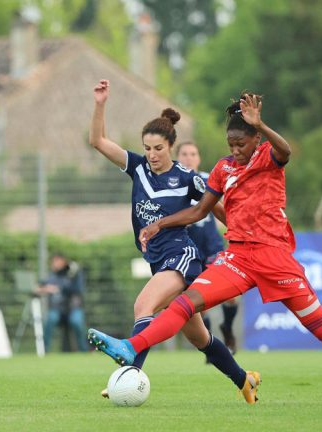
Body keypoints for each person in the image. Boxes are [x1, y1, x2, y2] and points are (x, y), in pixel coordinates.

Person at [89, 92, 322, 405]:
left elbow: (286, 149)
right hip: (238, 258)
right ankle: (132, 347)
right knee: (184, 304)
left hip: (275, 258)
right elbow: (200, 211)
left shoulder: (269, 157)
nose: (236, 151)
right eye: (231, 146)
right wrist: (161, 223)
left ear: (255, 139)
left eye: (242, 144)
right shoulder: (223, 169)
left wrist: (261, 124)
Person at [88, 79, 260, 404]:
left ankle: (128, 375)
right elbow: (97, 140)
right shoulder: (137, 168)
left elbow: (218, 208)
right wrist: (100, 104)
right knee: (200, 338)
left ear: (171, 146)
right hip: (158, 261)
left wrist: (241, 237)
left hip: (181, 257)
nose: (152, 155)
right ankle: (244, 380)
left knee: (143, 306)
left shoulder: (187, 178)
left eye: (158, 148)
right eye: (147, 148)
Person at [176, 141, 239, 354]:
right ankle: (213, 347)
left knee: (230, 295)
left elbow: (226, 208)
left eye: (193, 153)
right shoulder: (173, 183)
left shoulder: (207, 179)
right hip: (189, 251)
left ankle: (228, 328)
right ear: (177, 157)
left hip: (213, 246)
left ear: (199, 158)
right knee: (199, 304)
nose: (188, 158)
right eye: (184, 154)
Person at [34, 253, 87, 352]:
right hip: (58, 309)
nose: (54, 264)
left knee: (77, 321)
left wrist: (66, 283)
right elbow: (38, 287)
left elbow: (78, 290)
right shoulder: (52, 276)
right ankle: (44, 350)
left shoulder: (73, 274)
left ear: (63, 262)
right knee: (51, 318)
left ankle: (84, 350)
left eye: (57, 261)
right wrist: (45, 288)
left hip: (73, 308)